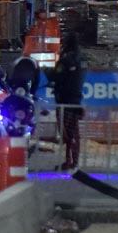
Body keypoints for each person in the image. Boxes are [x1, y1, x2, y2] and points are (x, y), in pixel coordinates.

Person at [52, 34, 84, 170]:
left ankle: (69, 161)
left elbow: (57, 76)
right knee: (74, 132)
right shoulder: (80, 60)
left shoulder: (65, 60)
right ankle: (74, 161)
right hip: (76, 100)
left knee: (66, 133)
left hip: (64, 100)